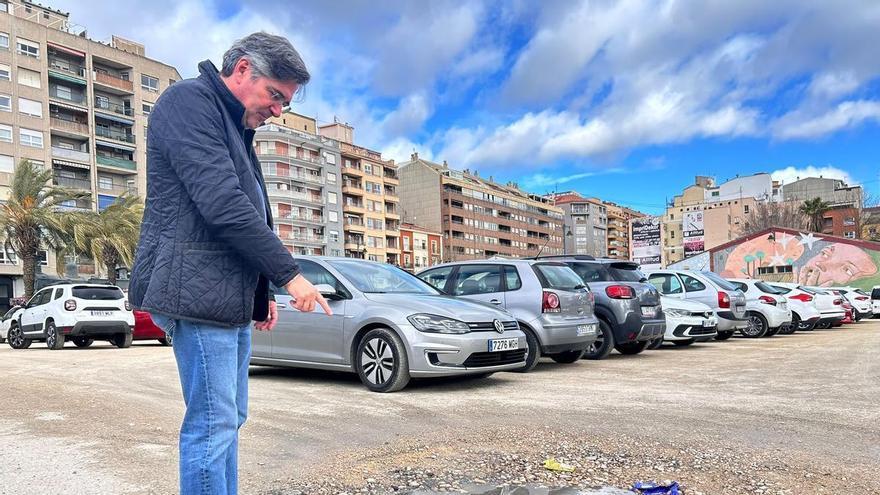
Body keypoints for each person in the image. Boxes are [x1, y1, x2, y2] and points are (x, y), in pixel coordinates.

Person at [128, 32, 332, 495]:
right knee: (212, 423)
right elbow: (223, 206)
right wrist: (289, 276)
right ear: (242, 70)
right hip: (195, 292)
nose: (277, 110)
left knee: (229, 418)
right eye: (274, 95)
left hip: (223, 295)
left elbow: (251, 212)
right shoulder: (189, 103)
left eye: (285, 102)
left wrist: (262, 293)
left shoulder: (236, 126)